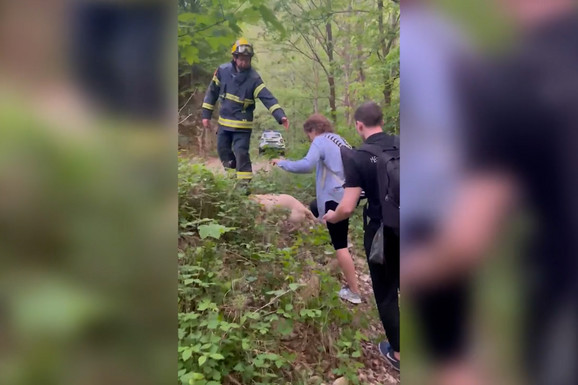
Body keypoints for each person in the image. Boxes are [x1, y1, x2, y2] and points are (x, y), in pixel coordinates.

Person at [323, 102, 400, 372]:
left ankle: (399, 355)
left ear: (359, 125)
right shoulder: (403, 143)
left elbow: (346, 207)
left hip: (383, 232)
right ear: (381, 119)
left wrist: (330, 217)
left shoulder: (357, 156)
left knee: (387, 293)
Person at [271, 114, 361, 304]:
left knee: (340, 246)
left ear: (312, 130)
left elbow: (307, 165)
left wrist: (282, 163)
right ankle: (332, 245)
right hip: (348, 195)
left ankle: (354, 291)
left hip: (334, 198)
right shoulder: (339, 140)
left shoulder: (320, 141)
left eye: (308, 135)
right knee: (313, 208)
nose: (310, 139)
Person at [201, 38, 289, 187]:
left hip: (242, 126)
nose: (244, 62)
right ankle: (230, 179)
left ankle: (244, 186)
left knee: (241, 152)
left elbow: (267, 97)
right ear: (234, 58)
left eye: (247, 59)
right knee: (223, 151)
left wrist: (280, 115)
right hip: (224, 124)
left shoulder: (254, 78)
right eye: (241, 59)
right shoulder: (222, 71)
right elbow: (212, 93)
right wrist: (206, 115)